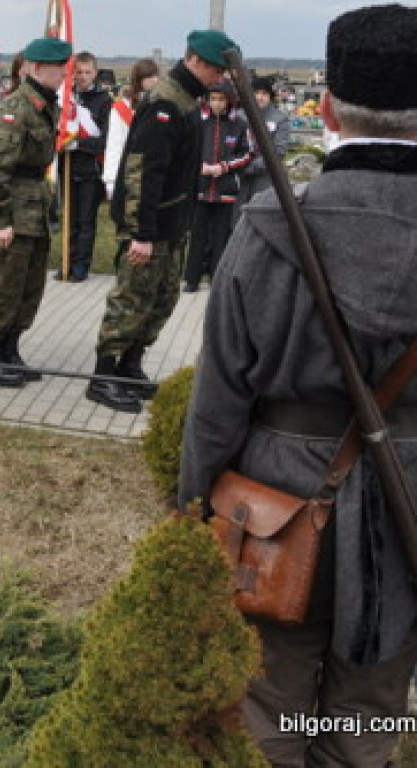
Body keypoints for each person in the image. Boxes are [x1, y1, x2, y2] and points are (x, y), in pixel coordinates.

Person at [178, 7, 417, 766]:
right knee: (366, 723)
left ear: (325, 108)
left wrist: (190, 509)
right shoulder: (270, 222)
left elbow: (216, 403)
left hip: (272, 511)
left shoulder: (266, 225)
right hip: (410, 505)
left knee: (265, 717)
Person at [87, 29, 237, 414]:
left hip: (171, 223)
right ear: (196, 62)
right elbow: (143, 172)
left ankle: (129, 367)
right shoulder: (165, 103)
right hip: (149, 226)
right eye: (217, 68)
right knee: (132, 298)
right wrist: (141, 232)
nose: (220, 77)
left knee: (162, 298)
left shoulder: (187, 99)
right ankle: (103, 377)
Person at [0, 36, 70, 389]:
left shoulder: (45, 105)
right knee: (4, 285)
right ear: (37, 68)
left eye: (64, 68)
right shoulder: (15, 107)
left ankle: (10, 349)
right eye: (58, 68)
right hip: (12, 209)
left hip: (34, 209)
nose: (63, 74)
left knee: (29, 287)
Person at [182, 79, 250, 293]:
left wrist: (224, 167)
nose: (217, 104)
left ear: (229, 101)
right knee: (198, 235)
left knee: (221, 236)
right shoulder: (200, 123)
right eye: (213, 99)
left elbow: (247, 154)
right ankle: (191, 279)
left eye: (221, 99)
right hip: (201, 188)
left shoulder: (239, 125)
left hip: (226, 188)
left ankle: (216, 279)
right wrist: (198, 166)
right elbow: (188, 149)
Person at [56, 51, 112, 283]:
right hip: (67, 167)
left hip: (90, 169)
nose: (83, 76)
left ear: (95, 73)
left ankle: (81, 265)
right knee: (68, 218)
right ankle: (67, 262)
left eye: (88, 72)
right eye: (78, 72)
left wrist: (79, 143)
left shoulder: (104, 101)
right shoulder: (66, 98)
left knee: (86, 220)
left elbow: (104, 140)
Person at [101, 57, 159, 200]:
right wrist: (111, 180)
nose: (155, 80)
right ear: (139, 79)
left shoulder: (161, 104)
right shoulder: (122, 108)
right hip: (129, 173)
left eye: (156, 75)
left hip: (154, 172)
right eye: (150, 76)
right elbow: (115, 145)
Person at [236, 75, 289, 211]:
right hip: (239, 177)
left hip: (266, 178)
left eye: (264, 93)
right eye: (256, 93)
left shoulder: (280, 119)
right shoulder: (238, 116)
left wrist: (252, 166)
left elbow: (279, 150)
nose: (259, 97)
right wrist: (239, 165)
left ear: (270, 96)